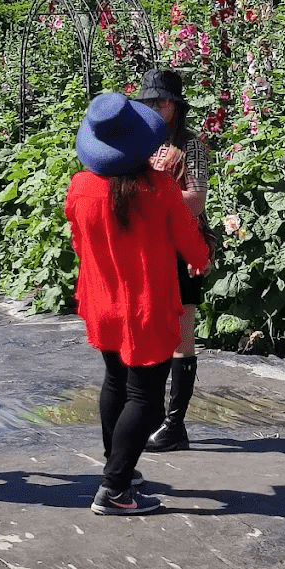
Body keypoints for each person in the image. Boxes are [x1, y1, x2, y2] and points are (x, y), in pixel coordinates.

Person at [65, 92, 210, 515]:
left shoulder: (80, 187)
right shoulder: (160, 189)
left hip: (101, 300)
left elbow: (79, 244)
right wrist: (204, 258)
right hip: (146, 305)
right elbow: (193, 246)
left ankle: (121, 472)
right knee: (145, 399)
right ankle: (114, 488)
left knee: (114, 383)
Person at [135, 68, 214, 453]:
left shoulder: (190, 145)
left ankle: (174, 423)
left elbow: (197, 199)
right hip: (150, 246)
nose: (149, 108)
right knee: (151, 327)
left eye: (154, 102)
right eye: (147, 102)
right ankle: (151, 414)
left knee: (182, 330)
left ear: (170, 106)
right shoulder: (143, 142)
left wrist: (149, 197)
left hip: (182, 245)